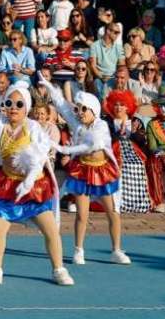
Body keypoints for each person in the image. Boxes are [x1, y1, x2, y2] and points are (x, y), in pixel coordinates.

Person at [0, 74, 73, 286]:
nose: (13, 107)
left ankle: (59, 269)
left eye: (19, 104)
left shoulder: (34, 128)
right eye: (9, 102)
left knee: (50, 229)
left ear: (26, 107)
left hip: (34, 187)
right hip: (5, 185)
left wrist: (28, 181)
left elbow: (38, 158)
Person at [42, 81, 130, 266]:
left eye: (83, 110)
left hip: (103, 171)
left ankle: (116, 250)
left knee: (113, 212)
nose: (79, 113)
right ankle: (78, 250)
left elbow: (92, 143)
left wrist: (64, 150)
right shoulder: (79, 124)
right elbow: (63, 107)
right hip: (82, 170)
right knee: (82, 214)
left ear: (93, 111)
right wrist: (51, 88)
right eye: (79, 110)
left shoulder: (101, 127)